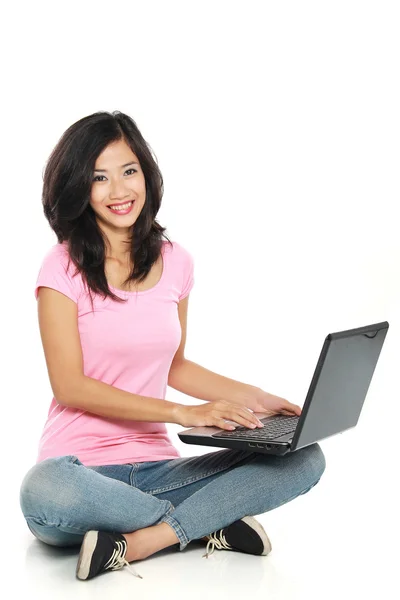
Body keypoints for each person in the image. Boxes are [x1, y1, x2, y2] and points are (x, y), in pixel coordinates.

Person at [19, 110, 326, 581]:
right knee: (42, 490)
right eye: (100, 178)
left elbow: (174, 365)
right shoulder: (61, 267)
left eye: (129, 171)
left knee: (305, 457)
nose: (120, 191)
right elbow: (69, 387)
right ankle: (203, 523)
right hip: (81, 473)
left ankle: (144, 540)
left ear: (146, 172)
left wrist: (260, 401)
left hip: (158, 466)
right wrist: (185, 413)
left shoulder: (175, 261)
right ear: (79, 186)